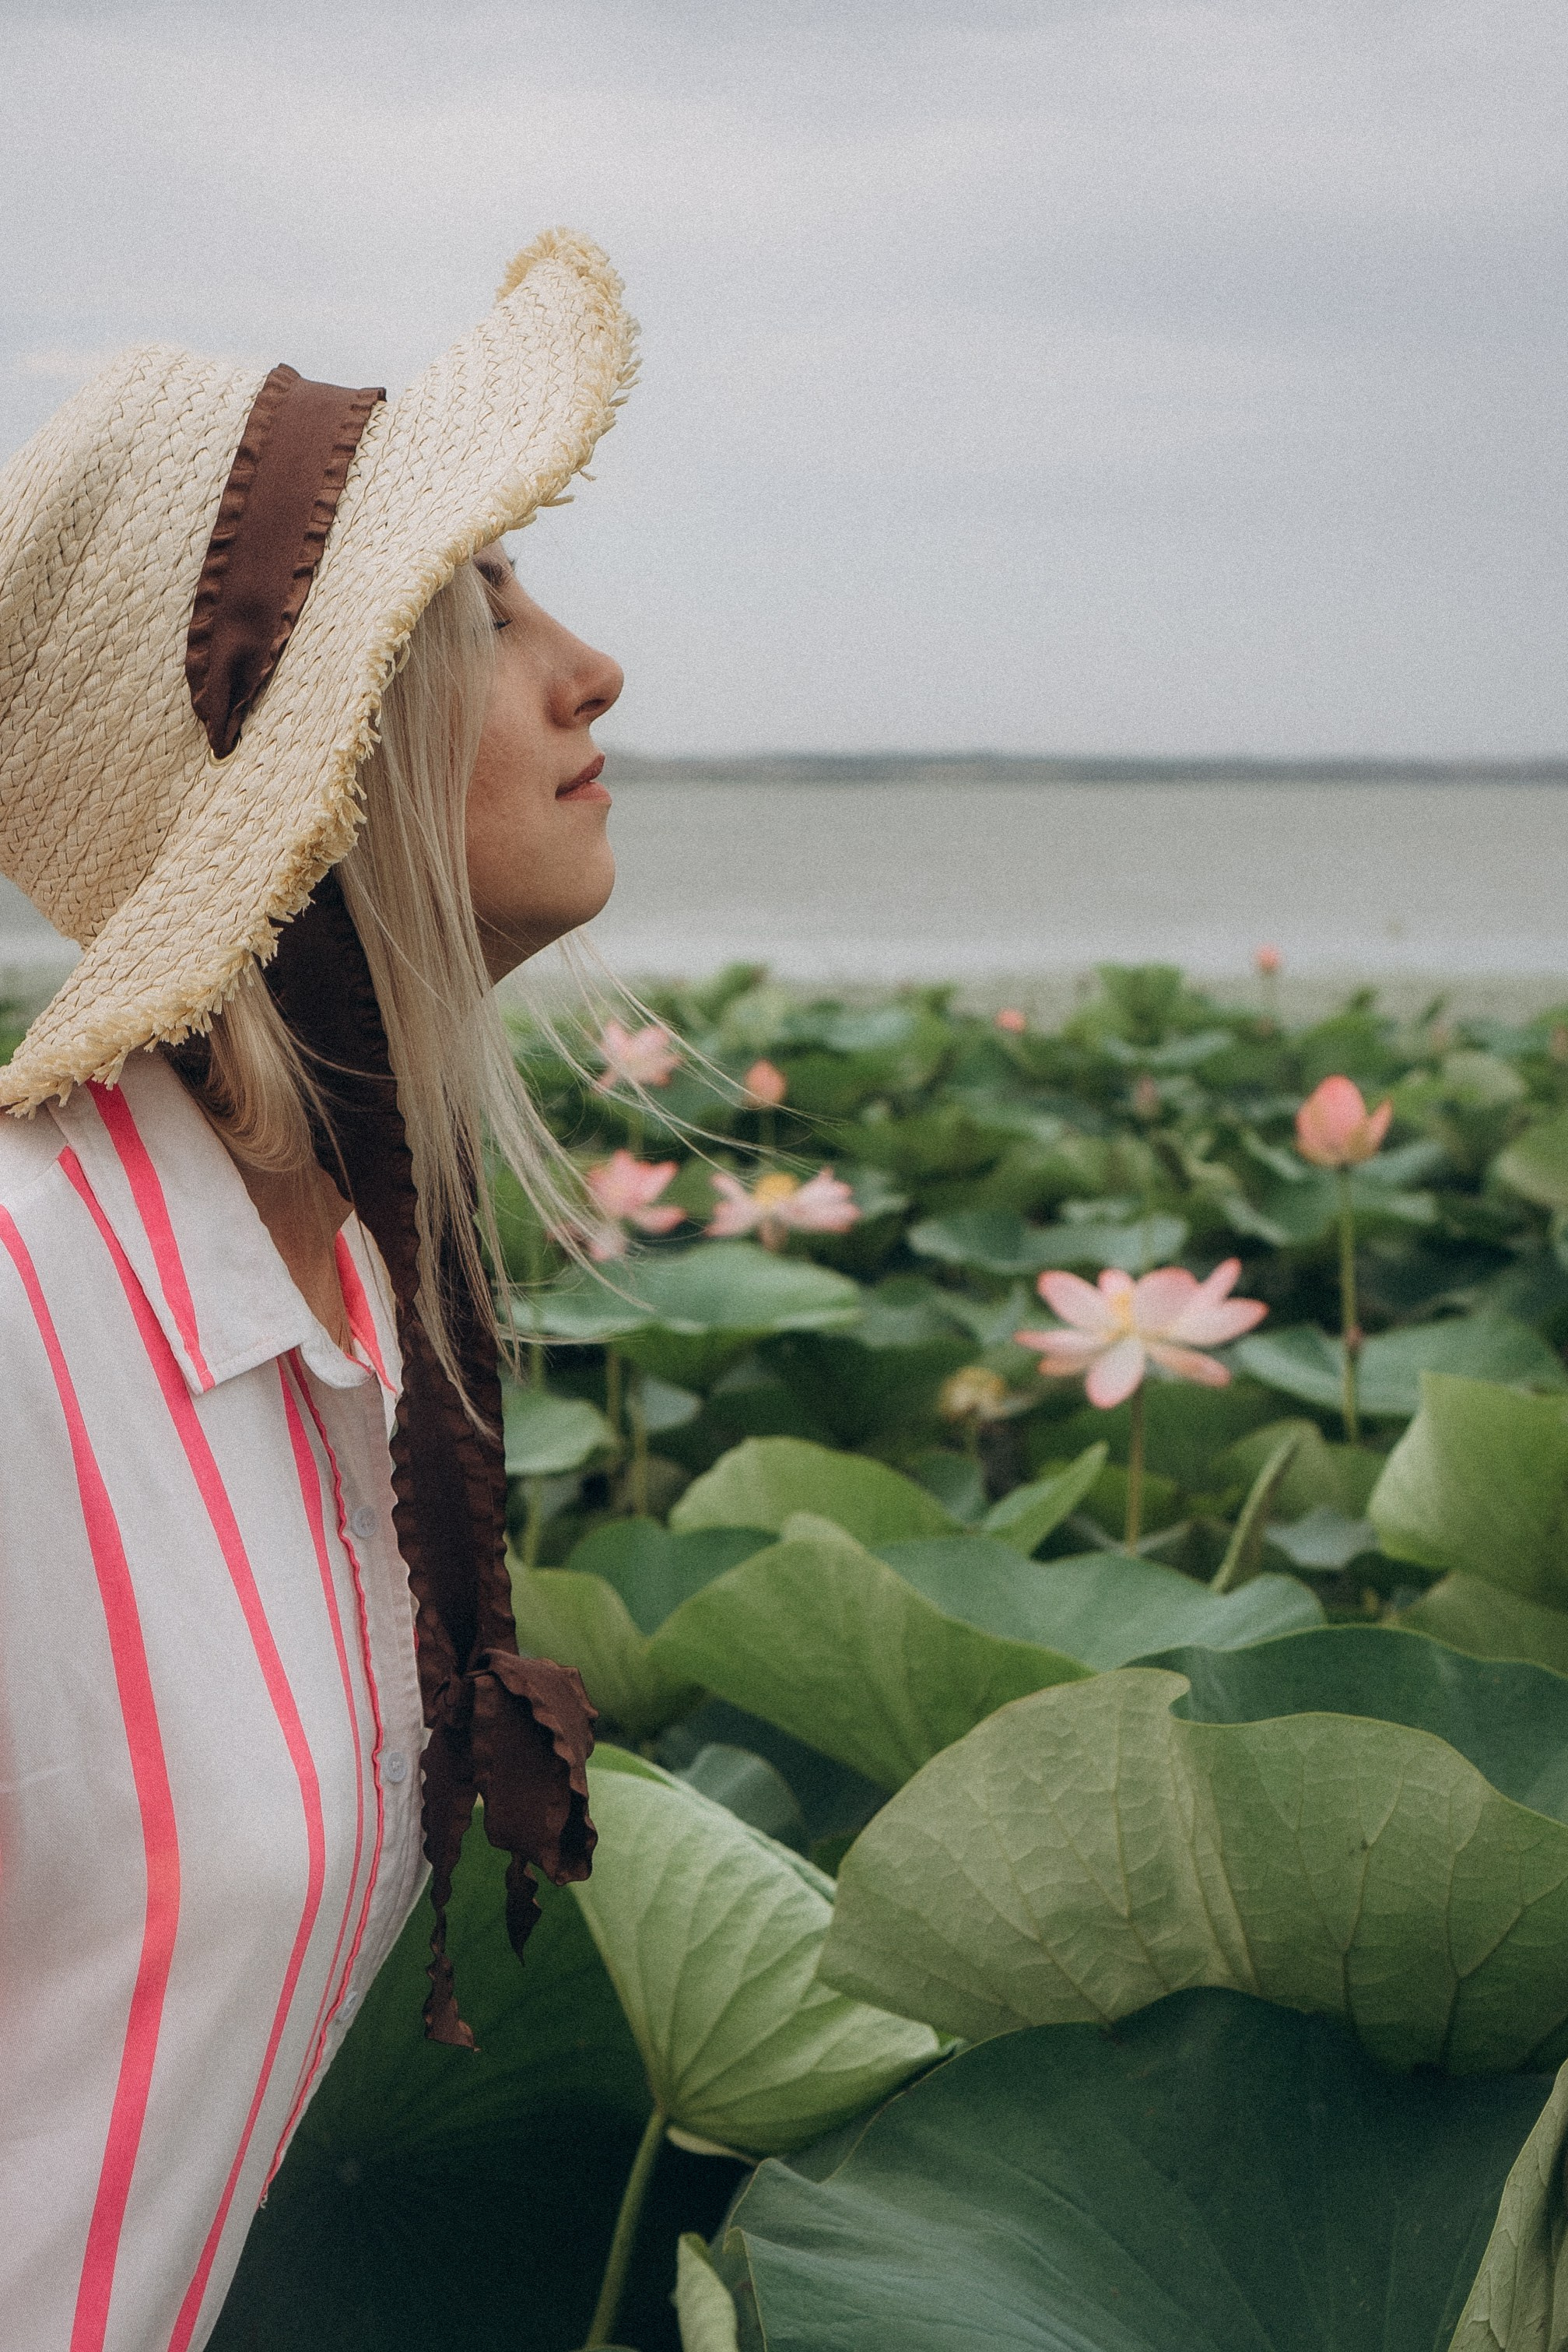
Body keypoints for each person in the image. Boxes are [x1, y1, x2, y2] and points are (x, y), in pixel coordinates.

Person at [0, 229, 636, 2351]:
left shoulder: (363, 1301)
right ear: (320, 746)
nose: (589, 665)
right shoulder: (15, 1314)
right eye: (480, 603)